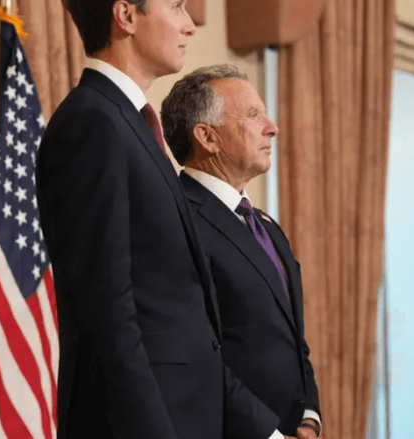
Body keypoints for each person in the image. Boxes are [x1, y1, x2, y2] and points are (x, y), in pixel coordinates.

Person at [35, 1, 232, 438]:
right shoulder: (92, 122)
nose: (189, 25)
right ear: (125, 16)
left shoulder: (128, 122)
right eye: (176, 6)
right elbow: (106, 314)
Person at [161, 64, 323, 439]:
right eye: (253, 115)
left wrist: (310, 416)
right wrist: (269, 435)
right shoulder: (175, 221)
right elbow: (195, 353)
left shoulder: (266, 226)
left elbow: (292, 338)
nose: (272, 127)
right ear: (207, 137)